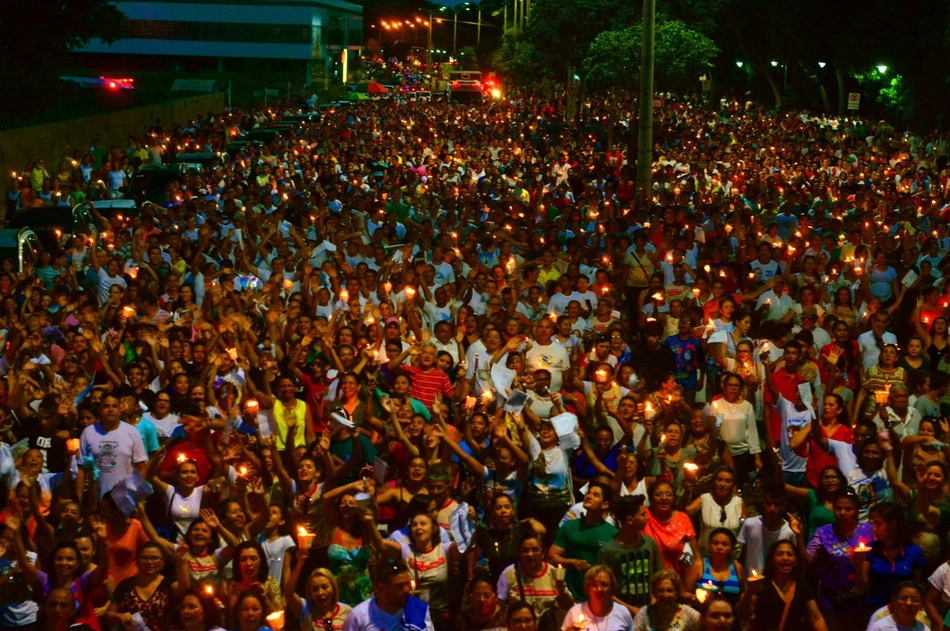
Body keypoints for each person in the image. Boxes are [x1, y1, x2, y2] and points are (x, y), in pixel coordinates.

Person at [796, 489, 874, 631]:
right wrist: (799, 538)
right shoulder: (823, 532)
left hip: (862, 602)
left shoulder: (869, 531)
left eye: (848, 509)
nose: (842, 513)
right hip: (831, 602)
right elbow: (807, 561)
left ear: (856, 511)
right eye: (838, 508)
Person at [548, 482, 619, 600]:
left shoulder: (612, 533)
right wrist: (572, 562)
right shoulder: (569, 527)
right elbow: (551, 557)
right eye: (588, 493)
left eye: (595, 495)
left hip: (600, 598)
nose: (589, 496)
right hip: (571, 597)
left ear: (605, 504)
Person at [739, 540, 827, 631]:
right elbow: (744, 614)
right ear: (772, 560)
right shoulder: (762, 585)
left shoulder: (802, 586)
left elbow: (816, 619)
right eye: (780, 554)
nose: (785, 558)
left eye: (789, 554)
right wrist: (749, 592)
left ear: (796, 560)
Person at [855, 503, 925, 616]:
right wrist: (858, 565)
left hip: (904, 611)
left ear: (892, 525)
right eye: (873, 524)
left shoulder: (913, 552)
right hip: (875, 610)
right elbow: (862, 587)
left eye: (878, 524)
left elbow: (917, 586)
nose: (874, 529)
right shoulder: (871, 549)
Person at [596, 495, 661, 615]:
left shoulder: (649, 544)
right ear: (630, 520)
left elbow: (659, 578)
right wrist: (631, 610)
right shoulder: (608, 551)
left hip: (650, 612)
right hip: (619, 614)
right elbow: (604, 591)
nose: (647, 517)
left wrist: (653, 603)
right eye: (642, 514)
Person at [342, 560, 435, 631]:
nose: (407, 590)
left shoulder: (418, 609)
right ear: (382, 588)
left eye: (408, 584)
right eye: (400, 586)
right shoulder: (359, 616)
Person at [561, 566, 636, 631]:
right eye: (594, 585)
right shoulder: (575, 612)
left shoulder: (623, 612)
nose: (599, 589)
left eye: (604, 584)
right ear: (588, 587)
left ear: (612, 588)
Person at [285, 561, 353, 631]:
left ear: (333, 587)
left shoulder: (347, 611)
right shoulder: (306, 609)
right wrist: (299, 565)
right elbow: (289, 594)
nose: (320, 593)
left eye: (325, 587)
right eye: (315, 589)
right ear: (310, 592)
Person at [630, 569, 700, 631]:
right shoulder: (644, 613)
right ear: (654, 593)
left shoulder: (687, 613)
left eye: (670, 590)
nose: (665, 595)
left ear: (676, 593)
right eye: (661, 590)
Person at [866, 582, 930, 631]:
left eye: (914, 600)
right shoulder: (879, 627)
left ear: (921, 605)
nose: (908, 603)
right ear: (894, 601)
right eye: (903, 598)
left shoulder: (925, 629)